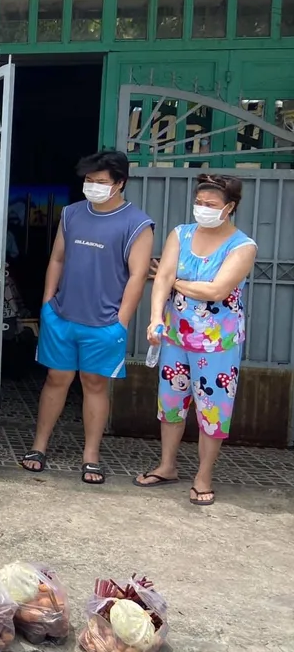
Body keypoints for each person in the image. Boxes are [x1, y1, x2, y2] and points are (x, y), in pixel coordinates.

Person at [20, 151, 154, 484]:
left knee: (94, 384)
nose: (92, 187)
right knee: (56, 379)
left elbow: (138, 276)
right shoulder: (71, 214)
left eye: (101, 182)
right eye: (88, 181)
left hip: (105, 323)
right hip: (62, 316)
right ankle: (39, 446)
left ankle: (91, 455)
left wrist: (121, 321)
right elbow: (57, 259)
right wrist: (48, 304)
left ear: (120, 183)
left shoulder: (136, 223)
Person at [134, 175, 256, 506]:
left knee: (213, 410)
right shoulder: (180, 233)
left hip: (219, 344)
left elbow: (217, 290)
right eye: (199, 203)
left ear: (230, 207)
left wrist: (175, 281)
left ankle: (203, 475)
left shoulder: (243, 246)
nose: (202, 209)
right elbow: (161, 279)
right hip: (174, 337)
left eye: (211, 205)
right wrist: (156, 316)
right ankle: (168, 465)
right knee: (171, 403)